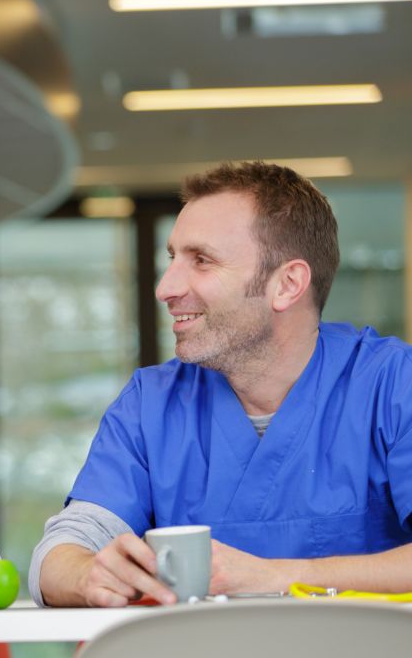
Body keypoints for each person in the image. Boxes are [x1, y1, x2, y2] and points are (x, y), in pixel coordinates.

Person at [31, 161, 412, 608]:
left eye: (202, 261)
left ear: (287, 284)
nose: (166, 287)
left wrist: (274, 577)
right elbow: (56, 556)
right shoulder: (150, 405)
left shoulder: (392, 386)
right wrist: (86, 575)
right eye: (172, 258)